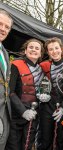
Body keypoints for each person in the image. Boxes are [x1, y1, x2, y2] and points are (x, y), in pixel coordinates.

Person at [37, 37, 63, 150]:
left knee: (61, 139)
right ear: (48, 52)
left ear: (62, 49)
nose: (54, 51)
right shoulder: (44, 66)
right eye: (51, 49)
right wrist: (40, 94)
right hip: (46, 106)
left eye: (56, 48)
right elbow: (40, 85)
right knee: (45, 139)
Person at [5, 38, 44, 150]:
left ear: (40, 53)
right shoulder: (16, 64)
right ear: (25, 50)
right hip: (16, 116)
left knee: (27, 146)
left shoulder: (41, 69)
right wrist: (23, 111)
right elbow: (10, 92)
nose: (34, 50)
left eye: (37, 48)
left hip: (33, 115)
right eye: (31, 47)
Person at [0, 9, 13, 150]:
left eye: (7, 27)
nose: (3, 29)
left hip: (4, 113)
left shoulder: (4, 52)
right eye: (0, 24)